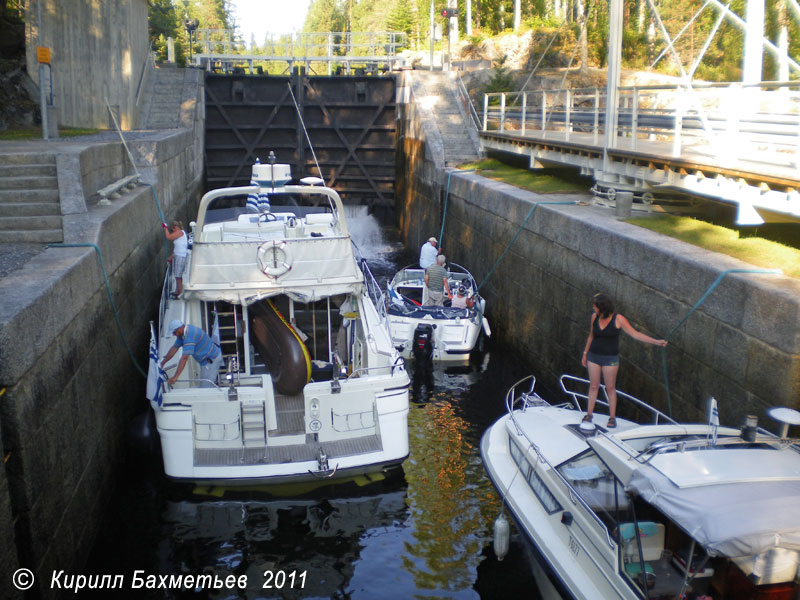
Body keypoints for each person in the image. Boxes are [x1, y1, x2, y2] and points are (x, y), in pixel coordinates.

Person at [581, 293, 667, 427]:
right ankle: (589, 414)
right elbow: (591, 336)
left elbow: (635, 334)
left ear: (602, 307)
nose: (593, 308)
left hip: (610, 359)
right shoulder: (594, 317)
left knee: (610, 388)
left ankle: (612, 417)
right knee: (594, 386)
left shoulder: (618, 319)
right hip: (594, 356)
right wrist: (585, 353)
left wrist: (656, 342)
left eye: (595, 306)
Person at [161, 319, 223, 387]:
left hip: (212, 360)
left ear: (179, 329)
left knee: (205, 387)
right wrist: (163, 363)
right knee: (205, 385)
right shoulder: (183, 334)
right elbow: (174, 348)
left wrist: (176, 377)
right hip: (208, 360)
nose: (174, 335)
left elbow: (184, 358)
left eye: (174, 332)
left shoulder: (190, 336)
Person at [163, 220, 188, 298]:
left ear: (176, 227)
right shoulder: (180, 234)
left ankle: (179, 292)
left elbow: (168, 237)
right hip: (178, 256)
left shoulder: (180, 232)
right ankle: (178, 290)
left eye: (172, 229)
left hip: (180, 257)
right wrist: (170, 257)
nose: (172, 231)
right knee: (177, 275)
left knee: (178, 275)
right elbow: (177, 248)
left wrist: (165, 228)